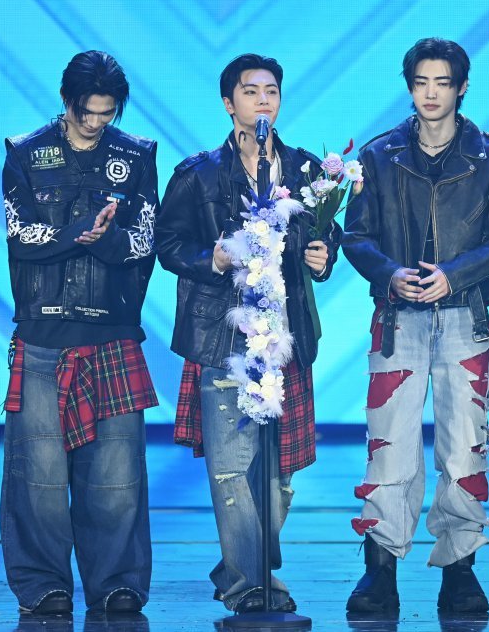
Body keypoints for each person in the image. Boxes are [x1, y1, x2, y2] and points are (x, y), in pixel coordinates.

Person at [342, 37, 489, 614]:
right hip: (398, 317)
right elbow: (355, 235)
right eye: (421, 82)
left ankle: (460, 569)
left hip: (464, 315)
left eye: (442, 83)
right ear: (410, 86)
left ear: (462, 87)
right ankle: (380, 570)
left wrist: (454, 275)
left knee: (464, 445)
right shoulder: (379, 156)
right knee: (389, 444)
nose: (431, 93)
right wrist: (390, 273)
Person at [156, 53, 340, 614]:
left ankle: (247, 563)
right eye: (250, 91)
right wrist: (210, 259)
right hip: (224, 334)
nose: (263, 100)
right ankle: (248, 584)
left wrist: (322, 255)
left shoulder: (306, 170)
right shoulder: (198, 174)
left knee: (281, 472)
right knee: (232, 467)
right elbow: (168, 244)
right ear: (228, 102)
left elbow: (328, 236)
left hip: (286, 336)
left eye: (271, 91)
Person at [0, 50, 159, 615]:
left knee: (117, 477)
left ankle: (117, 583)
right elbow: (20, 236)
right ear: (66, 100)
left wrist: (106, 240)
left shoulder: (136, 155)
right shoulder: (24, 152)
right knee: (37, 478)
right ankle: (42, 585)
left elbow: (145, 242)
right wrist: (80, 232)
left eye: (106, 113)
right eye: (86, 111)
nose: (95, 122)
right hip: (43, 333)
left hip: (112, 331)